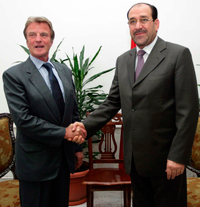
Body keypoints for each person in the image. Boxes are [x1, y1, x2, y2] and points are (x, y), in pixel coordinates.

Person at [72, 3, 199, 207]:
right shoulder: (124, 60)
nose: (137, 26)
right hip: (135, 161)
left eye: (143, 20)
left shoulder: (177, 55)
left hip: (166, 161)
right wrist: (84, 126)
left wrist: (178, 156)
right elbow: (113, 102)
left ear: (156, 24)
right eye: (132, 21)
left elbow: (188, 111)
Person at [3, 16, 86, 207]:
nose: (38, 39)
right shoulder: (14, 75)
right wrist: (64, 133)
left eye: (43, 35)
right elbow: (23, 119)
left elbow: (73, 111)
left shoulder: (64, 71)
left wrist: (77, 148)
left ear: (51, 40)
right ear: (27, 40)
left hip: (63, 161)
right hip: (35, 164)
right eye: (32, 35)